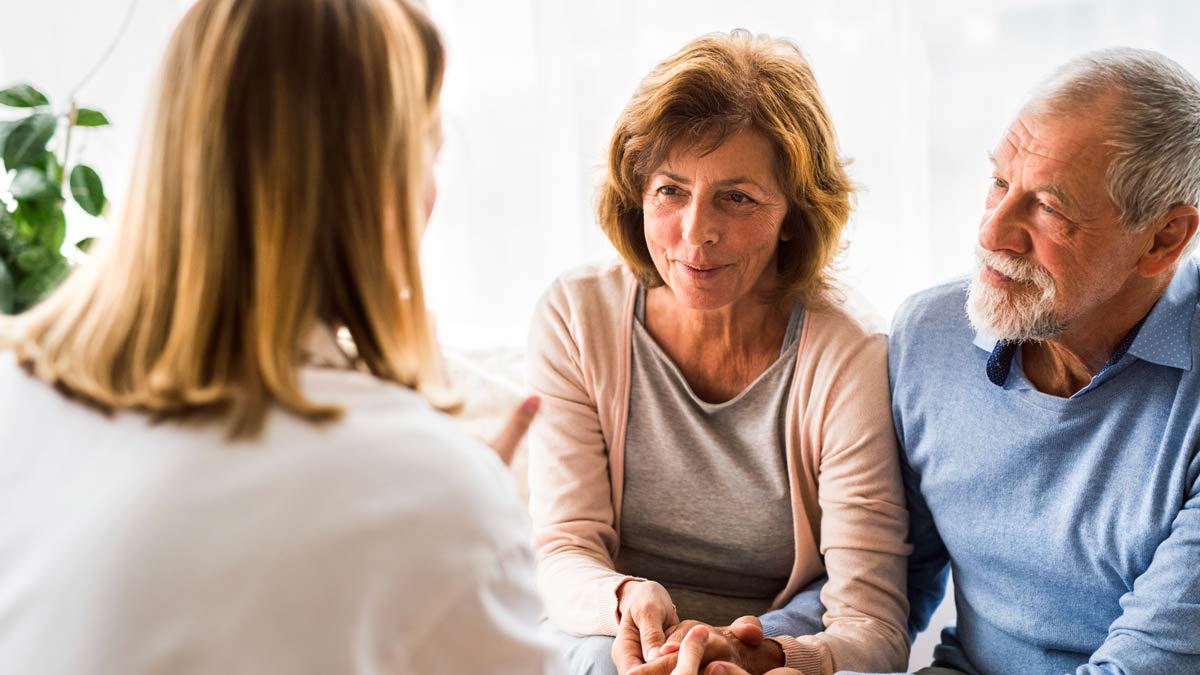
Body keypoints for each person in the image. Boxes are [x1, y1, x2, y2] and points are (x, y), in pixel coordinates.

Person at [0, 1, 557, 673]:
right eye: (429, 151)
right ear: (381, 186)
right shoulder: (427, 491)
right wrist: (461, 531)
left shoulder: (17, 397)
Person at [526, 30, 911, 675]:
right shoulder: (577, 315)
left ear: (793, 212)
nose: (695, 233)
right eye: (670, 191)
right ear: (637, 194)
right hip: (607, 635)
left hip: (769, 645)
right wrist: (625, 599)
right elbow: (562, 551)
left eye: (737, 198)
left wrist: (762, 654)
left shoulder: (848, 355)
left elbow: (872, 626)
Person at [890, 47, 1200, 675]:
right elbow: (882, 583)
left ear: (1164, 238)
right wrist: (777, 650)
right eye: (1000, 183)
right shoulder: (929, 336)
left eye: (1049, 208)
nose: (990, 232)